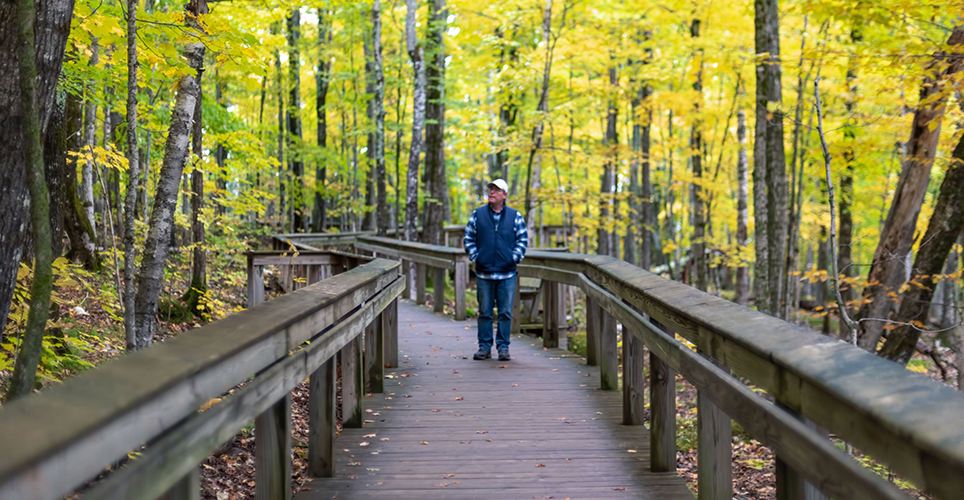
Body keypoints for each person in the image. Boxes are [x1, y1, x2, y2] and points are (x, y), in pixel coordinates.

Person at [463, 179, 528, 361]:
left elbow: (522, 241)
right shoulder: (478, 215)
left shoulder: (515, 216)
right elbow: (468, 239)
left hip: (507, 273)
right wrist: (477, 257)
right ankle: (484, 347)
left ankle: (503, 347)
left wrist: (512, 258)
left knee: (505, 312)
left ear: (504, 195)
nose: (492, 192)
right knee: (484, 311)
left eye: (496, 190)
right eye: (491, 189)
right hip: (484, 272)